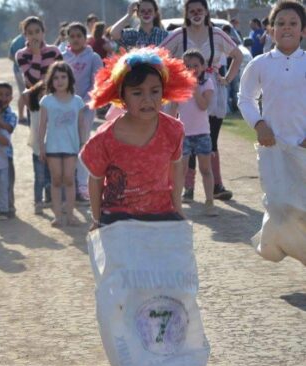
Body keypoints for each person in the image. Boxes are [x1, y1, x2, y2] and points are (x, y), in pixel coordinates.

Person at [80, 47, 196, 229]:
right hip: (117, 220)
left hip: (161, 216)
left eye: (154, 91)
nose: (147, 99)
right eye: (137, 93)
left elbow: (176, 170)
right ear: (122, 97)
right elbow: (95, 181)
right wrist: (96, 220)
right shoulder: (103, 139)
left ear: (163, 93)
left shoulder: (174, 130)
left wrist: (178, 208)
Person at [160, 0, 243, 201]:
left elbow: (238, 55)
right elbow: (159, 54)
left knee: (210, 138)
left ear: (206, 11)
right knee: (187, 136)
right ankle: (188, 186)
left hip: (212, 88)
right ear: (187, 13)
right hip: (187, 91)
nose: (196, 14)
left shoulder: (217, 34)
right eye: (192, 11)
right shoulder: (180, 34)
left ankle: (216, 185)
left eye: (200, 10)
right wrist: (174, 77)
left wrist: (227, 79)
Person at [238, 0, 306, 148]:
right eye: (280, 24)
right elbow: (245, 98)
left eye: (293, 24)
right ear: (271, 30)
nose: (286, 27)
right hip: (272, 147)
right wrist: (260, 125)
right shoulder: (259, 63)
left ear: (303, 30)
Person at [169, 50, 218, 216]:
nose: (192, 69)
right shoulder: (179, 86)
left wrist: (195, 88)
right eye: (187, 66)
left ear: (203, 67)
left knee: (205, 169)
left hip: (202, 133)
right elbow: (173, 108)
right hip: (184, 134)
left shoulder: (207, 83)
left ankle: (209, 201)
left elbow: (204, 105)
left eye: (195, 65)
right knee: (181, 170)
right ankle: (177, 204)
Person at [38, 61, 86, 227]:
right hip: (53, 147)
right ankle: (58, 216)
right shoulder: (47, 101)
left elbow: (81, 125)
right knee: (56, 180)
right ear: (51, 81)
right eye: (56, 77)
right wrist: (41, 146)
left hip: (71, 147)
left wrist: (83, 144)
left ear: (70, 79)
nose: (60, 80)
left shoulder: (77, 101)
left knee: (69, 180)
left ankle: (71, 215)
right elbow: (42, 125)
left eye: (63, 77)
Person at [62, 22, 104, 204]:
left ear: (85, 37)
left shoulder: (93, 57)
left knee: (81, 145)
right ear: (67, 38)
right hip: (65, 108)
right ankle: (67, 185)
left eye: (79, 35)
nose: (76, 39)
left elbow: (97, 82)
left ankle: (82, 186)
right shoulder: (62, 56)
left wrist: (84, 102)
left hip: (85, 109)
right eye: (72, 36)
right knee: (66, 145)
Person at [0, 82, 17, 216]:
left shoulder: (11, 114)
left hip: (6, 154)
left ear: (11, 98)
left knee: (7, 182)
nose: (3, 97)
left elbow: (10, 128)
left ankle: (9, 207)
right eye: (0, 94)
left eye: (7, 95)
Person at [16, 16, 63, 89]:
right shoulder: (21, 55)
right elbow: (32, 82)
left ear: (43, 32)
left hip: (53, 95)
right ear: (25, 35)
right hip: (33, 98)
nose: (34, 36)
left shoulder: (54, 51)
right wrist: (36, 54)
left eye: (37, 32)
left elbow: (62, 76)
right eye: (30, 33)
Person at [26, 81, 51, 214]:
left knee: (51, 176)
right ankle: (38, 202)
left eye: (47, 94)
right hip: (37, 149)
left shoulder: (53, 109)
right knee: (40, 177)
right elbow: (26, 93)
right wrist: (36, 87)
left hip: (52, 148)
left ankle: (49, 199)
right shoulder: (33, 109)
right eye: (40, 94)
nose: (43, 97)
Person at [8, 32, 28, 123]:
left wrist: (17, 63)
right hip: (24, 70)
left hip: (17, 69)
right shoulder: (26, 40)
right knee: (26, 93)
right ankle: (23, 115)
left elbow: (10, 56)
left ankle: (21, 115)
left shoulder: (15, 40)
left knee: (23, 93)